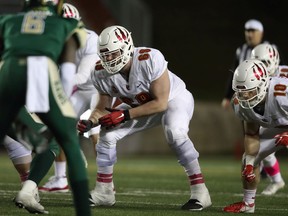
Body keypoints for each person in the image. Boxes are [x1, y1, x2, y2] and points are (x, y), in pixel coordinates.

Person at [77, 25, 212, 211]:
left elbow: (160, 103)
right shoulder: (100, 71)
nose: (107, 59)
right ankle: (104, 192)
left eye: (112, 53)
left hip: (174, 99)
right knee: (106, 136)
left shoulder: (149, 58)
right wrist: (90, 121)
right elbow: (101, 107)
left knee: (175, 133)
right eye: (104, 54)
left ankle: (200, 192)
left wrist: (123, 115)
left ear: (126, 48)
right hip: (139, 105)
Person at [0, 0, 91, 215]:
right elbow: (68, 66)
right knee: (65, 140)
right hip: (41, 72)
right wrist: (65, 107)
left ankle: (31, 137)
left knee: (35, 135)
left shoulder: (8, 20)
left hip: (8, 72)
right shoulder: (66, 23)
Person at [38, 2, 100, 193]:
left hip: (98, 89)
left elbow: (82, 76)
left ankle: (105, 183)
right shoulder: (52, 40)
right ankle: (60, 178)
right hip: (76, 89)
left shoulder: (91, 39)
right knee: (59, 126)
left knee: (98, 135)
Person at [223, 59, 288, 213]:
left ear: (264, 84)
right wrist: (250, 165)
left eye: (249, 90)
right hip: (276, 127)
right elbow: (251, 135)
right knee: (248, 160)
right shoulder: (240, 103)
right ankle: (248, 204)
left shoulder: (282, 92)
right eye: (240, 91)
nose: (245, 96)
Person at [250, 44, 286, 195]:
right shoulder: (257, 77)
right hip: (275, 119)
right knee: (259, 145)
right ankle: (277, 181)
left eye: (263, 62)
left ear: (273, 61)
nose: (259, 66)